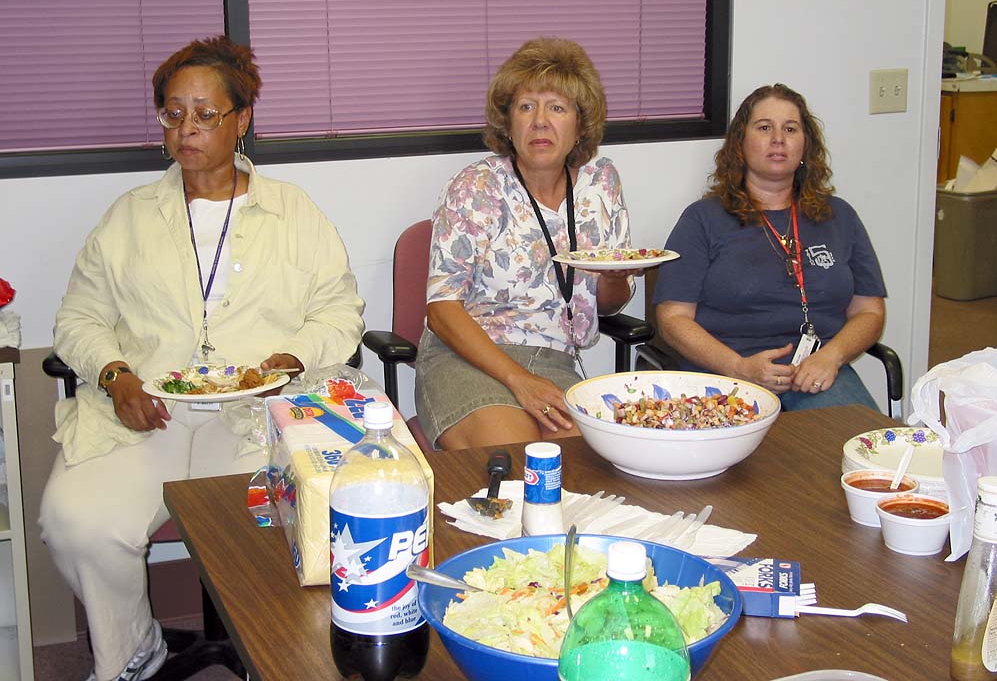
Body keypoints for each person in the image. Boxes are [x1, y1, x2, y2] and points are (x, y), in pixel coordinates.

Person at [39, 36, 365, 681]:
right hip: (147, 413)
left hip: (255, 411)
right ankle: (134, 653)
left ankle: (275, 655)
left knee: (267, 524)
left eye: (205, 114)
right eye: (173, 113)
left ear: (241, 119)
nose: (187, 129)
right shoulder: (128, 217)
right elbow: (79, 317)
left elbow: (340, 311)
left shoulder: (293, 213)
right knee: (74, 520)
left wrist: (291, 359)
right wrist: (114, 374)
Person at [415, 37, 637, 450]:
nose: (540, 121)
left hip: (555, 364)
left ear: (579, 123)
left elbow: (607, 304)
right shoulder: (476, 187)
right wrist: (520, 381)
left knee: (586, 467)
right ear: (508, 121)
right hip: (468, 357)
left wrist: (616, 278)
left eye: (557, 107)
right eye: (526, 107)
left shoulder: (600, 183)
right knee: (520, 461)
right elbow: (442, 309)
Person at [653, 83, 887, 411]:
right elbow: (672, 318)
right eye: (765, 128)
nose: (778, 138)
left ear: (805, 145)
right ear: (740, 144)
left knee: (862, 455)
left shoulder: (839, 216)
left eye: (790, 129)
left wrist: (832, 357)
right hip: (724, 375)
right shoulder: (702, 219)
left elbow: (869, 311)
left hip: (816, 375)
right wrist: (739, 367)